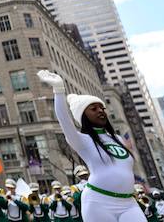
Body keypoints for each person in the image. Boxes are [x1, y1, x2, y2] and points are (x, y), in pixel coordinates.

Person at [38, 70, 143, 222]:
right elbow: (63, 119)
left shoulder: (118, 139)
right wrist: (59, 90)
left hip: (128, 203)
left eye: (102, 108)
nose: (100, 111)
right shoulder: (82, 140)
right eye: (93, 109)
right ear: (83, 116)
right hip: (98, 203)